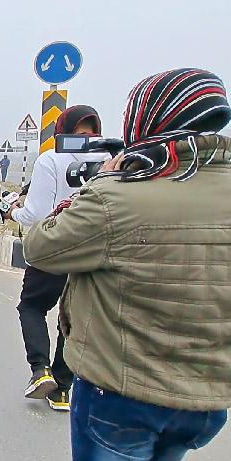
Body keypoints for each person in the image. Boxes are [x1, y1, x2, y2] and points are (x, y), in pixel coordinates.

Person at [23, 68, 231, 461]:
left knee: (31, 305)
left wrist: (103, 181)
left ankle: (44, 371)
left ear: (148, 120)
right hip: (207, 397)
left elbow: (40, 244)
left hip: (123, 392)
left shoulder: (117, 195)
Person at [3, 104, 107, 411]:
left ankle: (40, 370)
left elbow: (35, 214)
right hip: (88, 253)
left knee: (32, 306)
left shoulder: (51, 159)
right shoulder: (108, 160)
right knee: (70, 318)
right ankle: (62, 390)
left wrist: (12, 212)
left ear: (61, 130)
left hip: (52, 249)